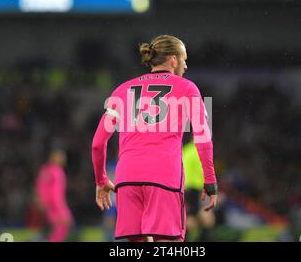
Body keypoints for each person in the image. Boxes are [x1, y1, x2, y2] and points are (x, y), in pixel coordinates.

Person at [91, 35, 218, 242]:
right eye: (184, 59)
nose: (185, 66)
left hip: (127, 179)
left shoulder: (122, 90)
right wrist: (210, 180)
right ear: (173, 60)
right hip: (165, 176)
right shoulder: (187, 88)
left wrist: (101, 180)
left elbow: (97, 143)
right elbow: (203, 137)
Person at [35, 149, 73, 242]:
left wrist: (41, 200)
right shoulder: (57, 172)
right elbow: (57, 193)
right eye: (60, 156)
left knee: (58, 227)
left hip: (47, 205)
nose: (63, 158)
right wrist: (61, 211)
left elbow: (39, 186)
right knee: (65, 223)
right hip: (55, 205)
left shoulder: (45, 170)